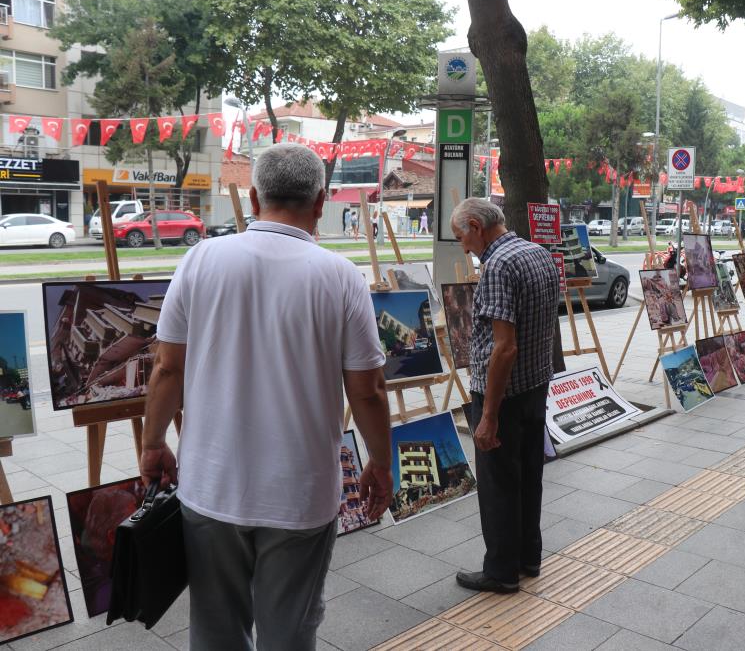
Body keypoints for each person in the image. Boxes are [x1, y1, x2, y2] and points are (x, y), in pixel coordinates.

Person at [140, 144, 393, 650]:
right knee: (291, 629)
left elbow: (168, 367)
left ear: (254, 197)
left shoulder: (201, 259)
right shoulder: (340, 276)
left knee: (215, 628)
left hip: (211, 485)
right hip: (300, 492)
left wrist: (152, 445)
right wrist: (381, 464)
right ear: (320, 202)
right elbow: (368, 391)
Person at [450, 197, 559, 593]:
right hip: (535, 387)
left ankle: (500, 571)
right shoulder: (537, 253)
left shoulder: (497, 265)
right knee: (530, 476)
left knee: (498, 485)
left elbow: (504, 347)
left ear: (476, 225)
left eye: (460, 235)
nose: (463, 246)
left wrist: (489, 415)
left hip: (505, 395)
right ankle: (529, 557)